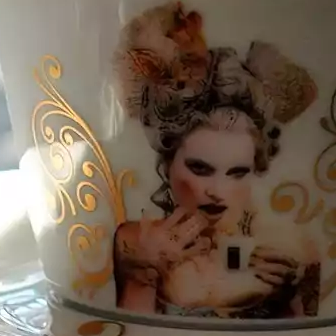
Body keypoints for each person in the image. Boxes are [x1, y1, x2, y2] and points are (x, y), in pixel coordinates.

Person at [113, 101, 321, 318]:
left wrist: (296, 287)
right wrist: (144, 276)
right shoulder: (139, 243)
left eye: (237, 173)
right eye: (200, 169)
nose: (217, 191)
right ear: (167, 166)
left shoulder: (283, 247)